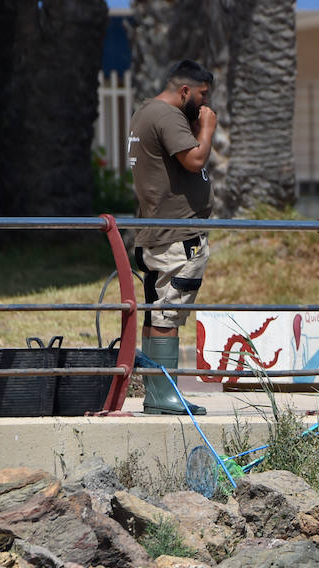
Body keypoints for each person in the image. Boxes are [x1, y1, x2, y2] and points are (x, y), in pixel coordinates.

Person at [127, 59, 217, 415]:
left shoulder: (146, 112)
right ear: (184, 91)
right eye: (202, 95)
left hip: (155, 232)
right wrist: (206, 128)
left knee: (156, 314)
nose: (205, 103)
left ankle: (156, 394)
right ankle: (164, 396)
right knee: (167, 315)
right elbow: (194, 160)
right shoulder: (168, 116)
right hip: (177, 237)